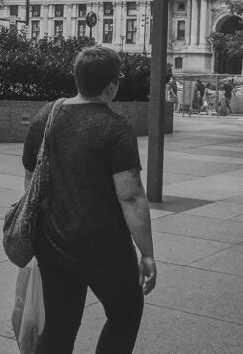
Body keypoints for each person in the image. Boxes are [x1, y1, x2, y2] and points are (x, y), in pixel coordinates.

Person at [22, 45, 156, 354]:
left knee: (60, 323)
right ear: (111, 86)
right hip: (104, 246)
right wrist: (147, 253)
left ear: (77, 79)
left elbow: (30, 180)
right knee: (125, 312)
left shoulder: (47, 117)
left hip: (53, 241)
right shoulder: (116, 127)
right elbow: (131, 196)